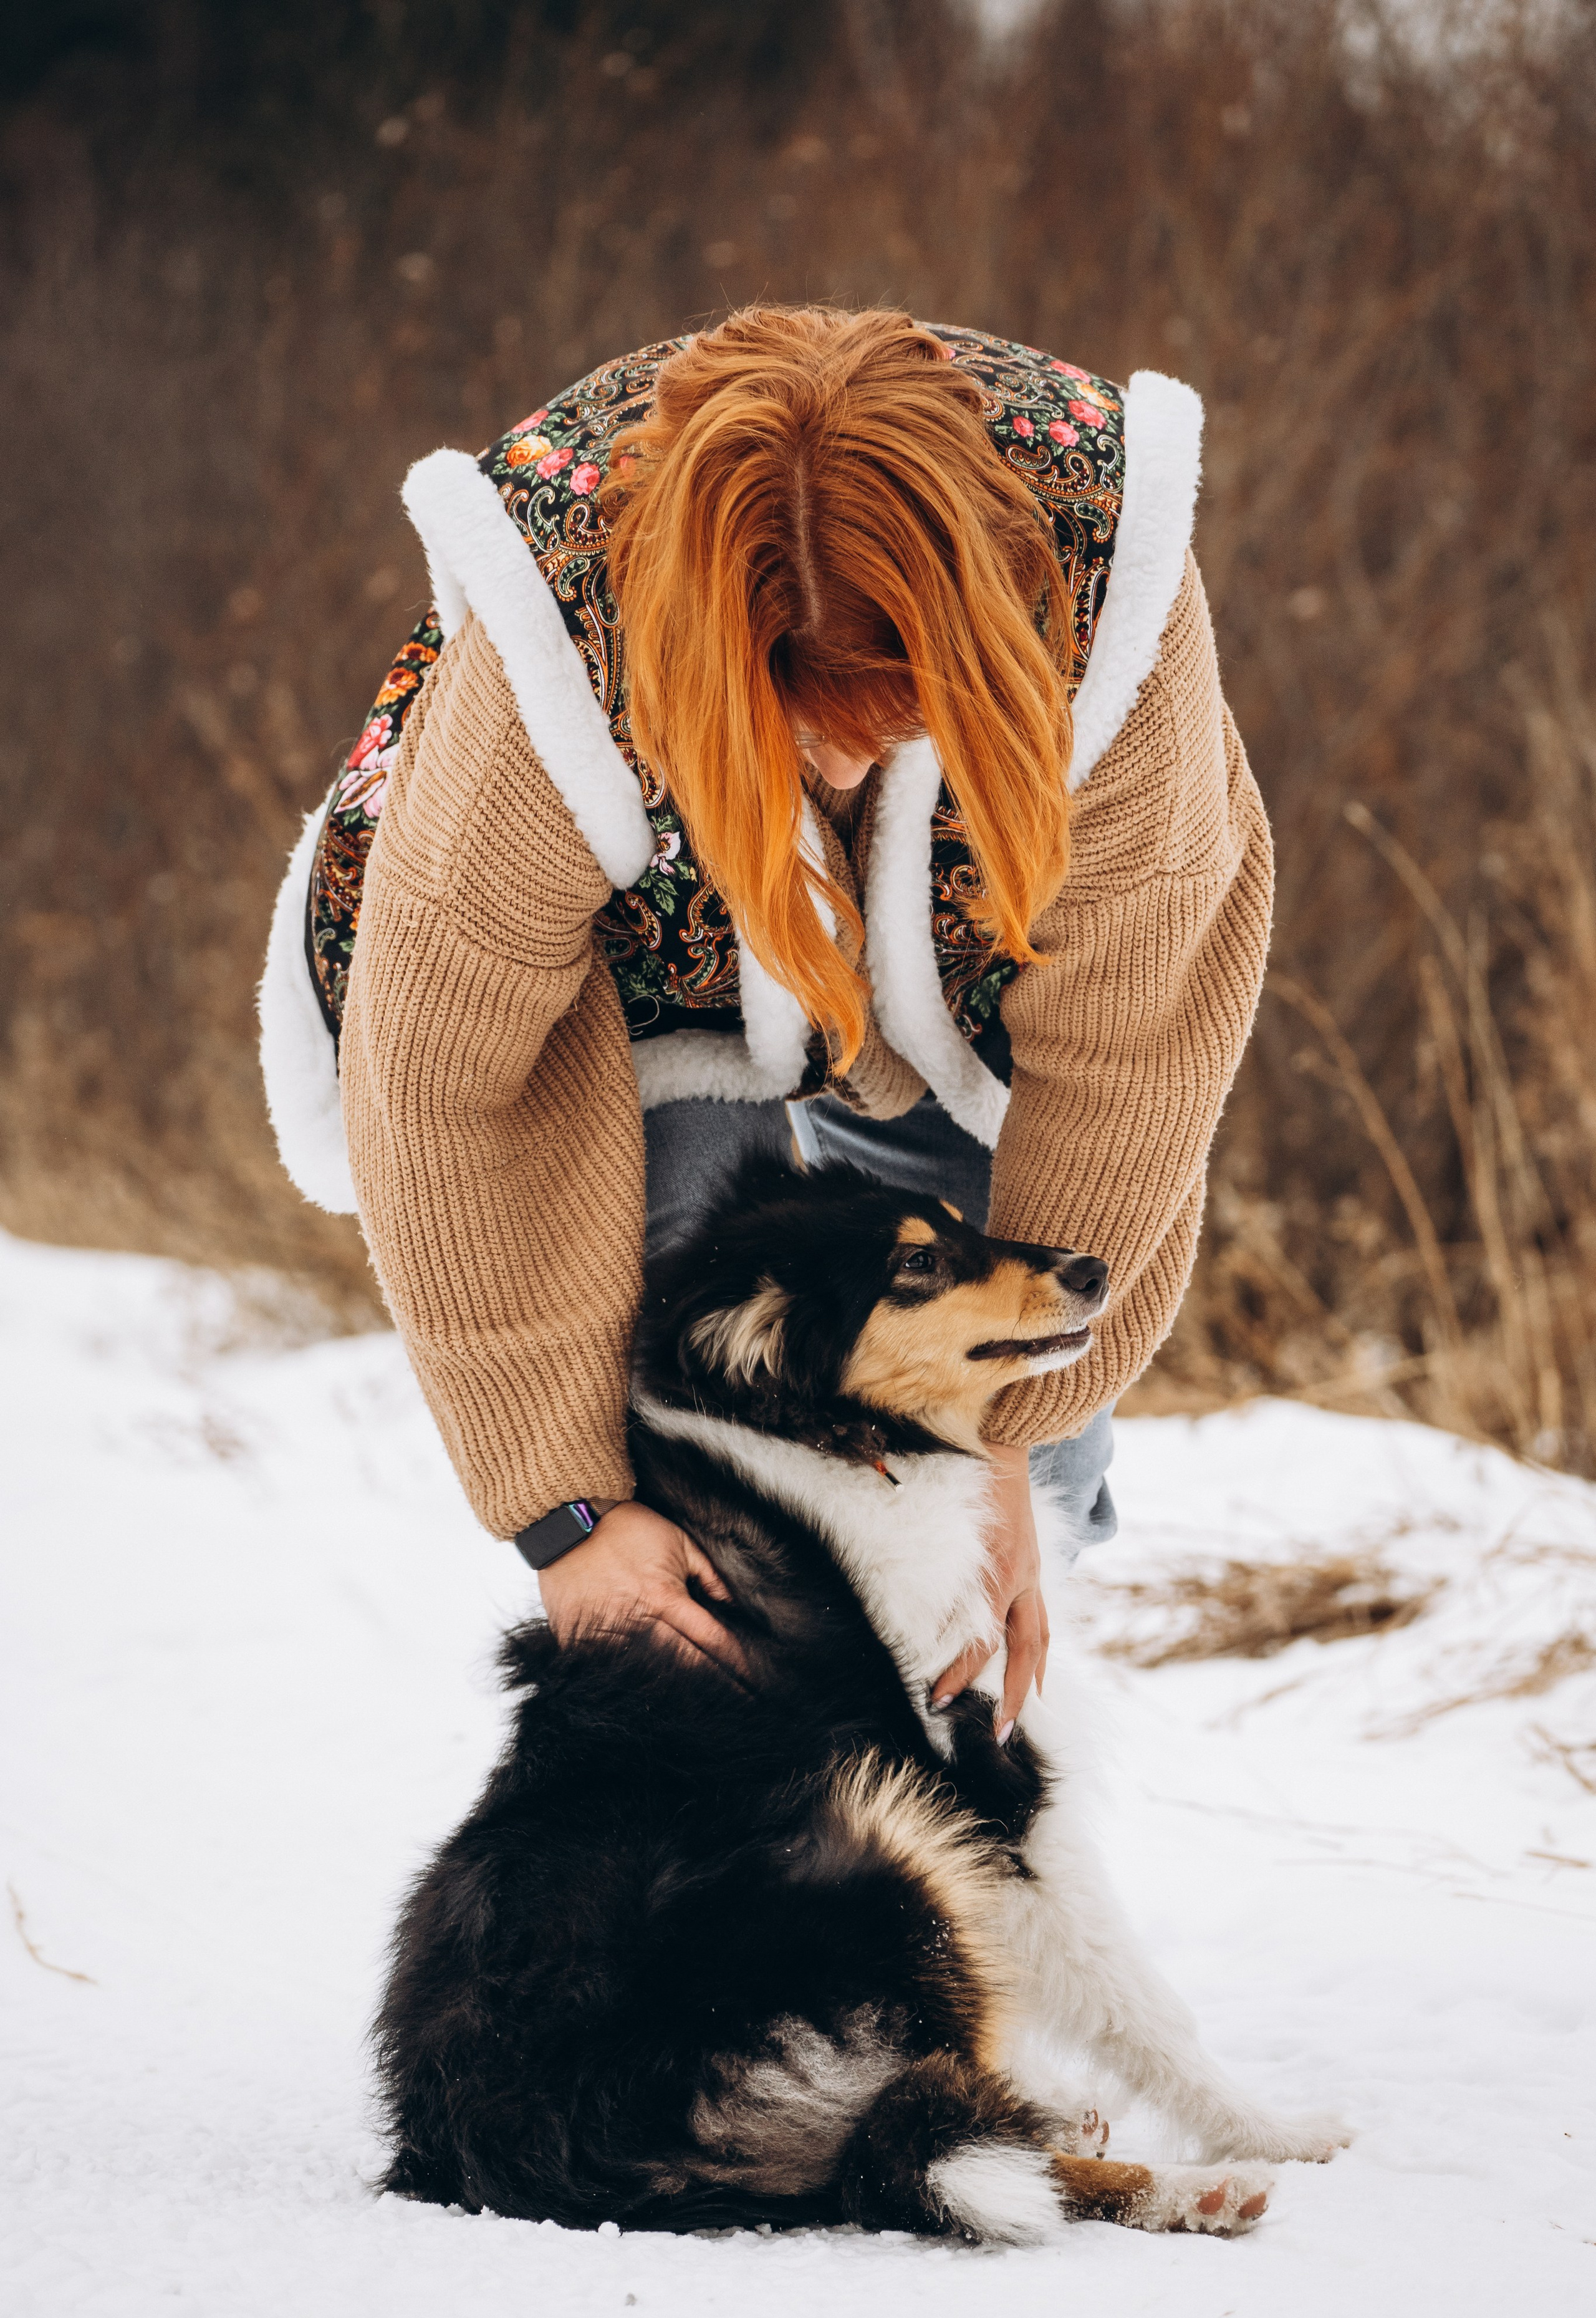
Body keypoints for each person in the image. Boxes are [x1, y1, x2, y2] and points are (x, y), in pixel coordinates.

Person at [257, 306, 1271, 1741]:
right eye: (805, 722)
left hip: (969, 962)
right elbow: (441, 1084)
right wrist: (563, 1513)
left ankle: (968, 1774)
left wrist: (1001, 1440)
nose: (846, 766)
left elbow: (1130, 1047)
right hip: (636, 985)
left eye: (891, 717)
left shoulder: (1108, 600)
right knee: (687, 1451)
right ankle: (739, 1818)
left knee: (1025, 1452)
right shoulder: (561, 655)